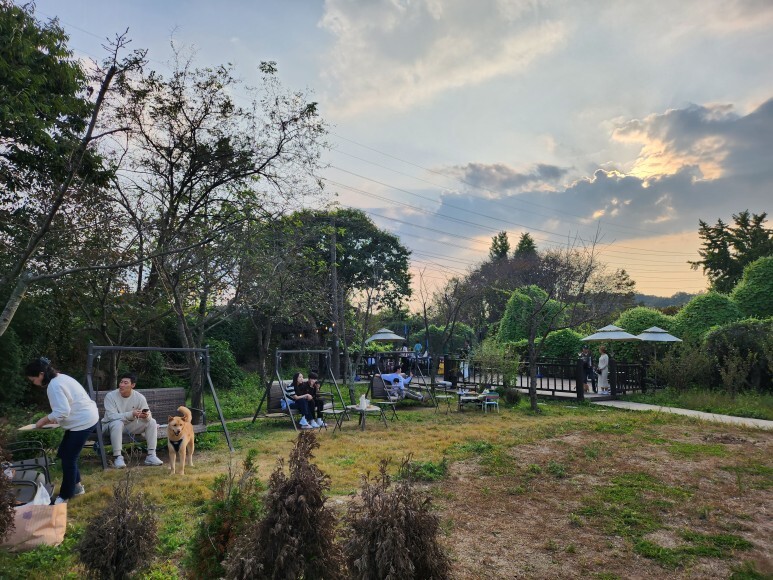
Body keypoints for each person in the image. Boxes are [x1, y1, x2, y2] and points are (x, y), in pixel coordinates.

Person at [24, 357, 99, 505]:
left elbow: (63, 411)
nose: (34, 383)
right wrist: (55, 418)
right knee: (64, 453)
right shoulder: (61, 378)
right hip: (82, 418)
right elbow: (66, 408)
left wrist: (44, 420)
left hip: (83, 421)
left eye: (33, 380)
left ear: (41, 374)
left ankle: (65, 495)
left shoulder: (54, 385)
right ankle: (77, 487)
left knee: (69, 459)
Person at [102, 373, 164, 468]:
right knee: (117, 423)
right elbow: (111, 416)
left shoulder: (139, 397)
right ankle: (118, 457)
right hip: (109, 426)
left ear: (133, 385)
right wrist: (132, 414)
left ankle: (151, 455)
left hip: (128, 426)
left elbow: (149, 414)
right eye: (121, 382)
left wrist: (145, 416)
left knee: (152, 422)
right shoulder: (110, 396)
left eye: (125, 383)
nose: (121, 385)